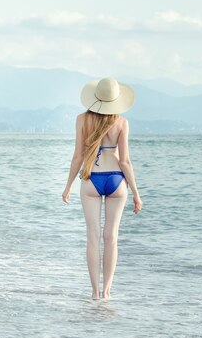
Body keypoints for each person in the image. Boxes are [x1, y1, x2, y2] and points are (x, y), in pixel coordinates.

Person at [62, 77, 143, 300]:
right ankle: (107, 291)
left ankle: (95, 292)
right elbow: (125, 161)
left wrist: (68, 185)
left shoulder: (81, 120)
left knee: (93, 236)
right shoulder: (122, 123)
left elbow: (78, 155)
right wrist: (136, 193)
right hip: (117, 180)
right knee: (111, 237)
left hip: (91, 180)